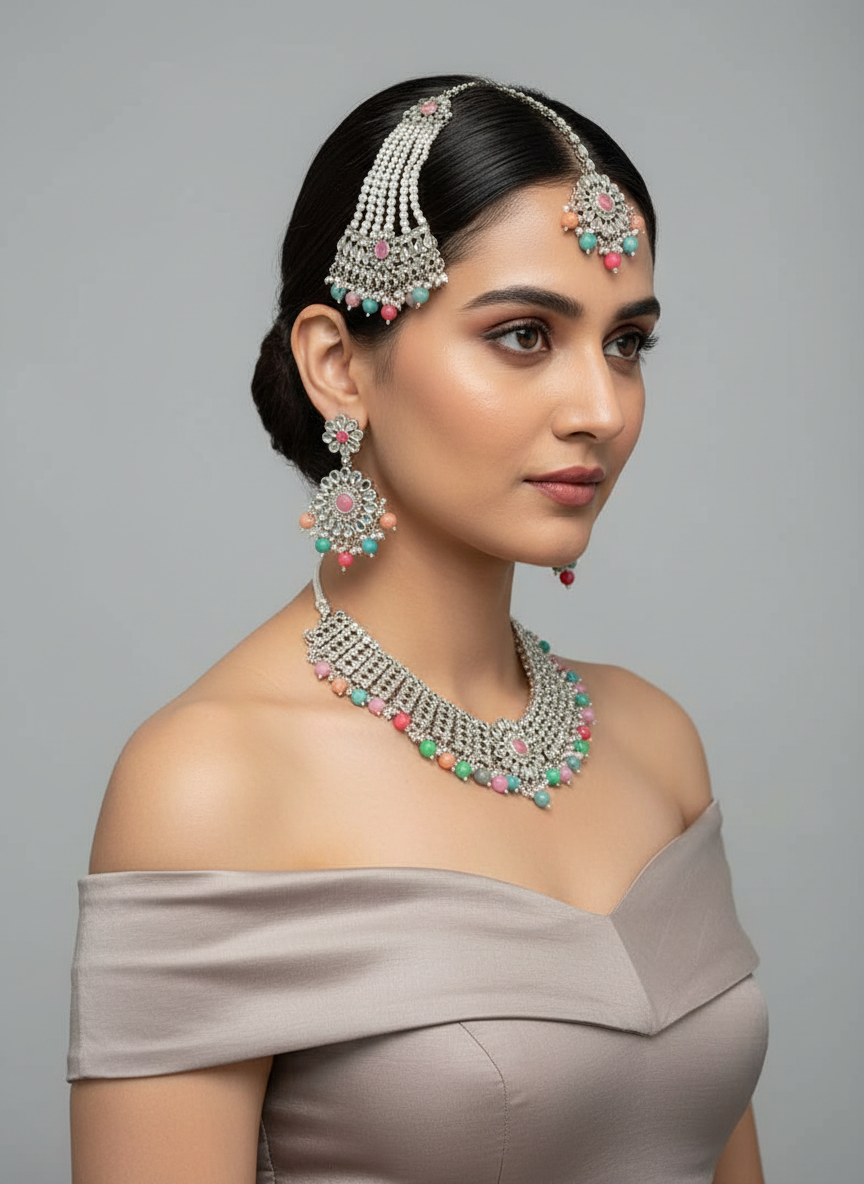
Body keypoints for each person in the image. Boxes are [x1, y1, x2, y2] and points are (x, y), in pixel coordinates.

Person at [67, 75, 769, 1183]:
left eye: (627, 342)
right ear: (339, 365)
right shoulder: (211, 782)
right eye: (526, 334)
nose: (600, 405)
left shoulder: (655, 742)